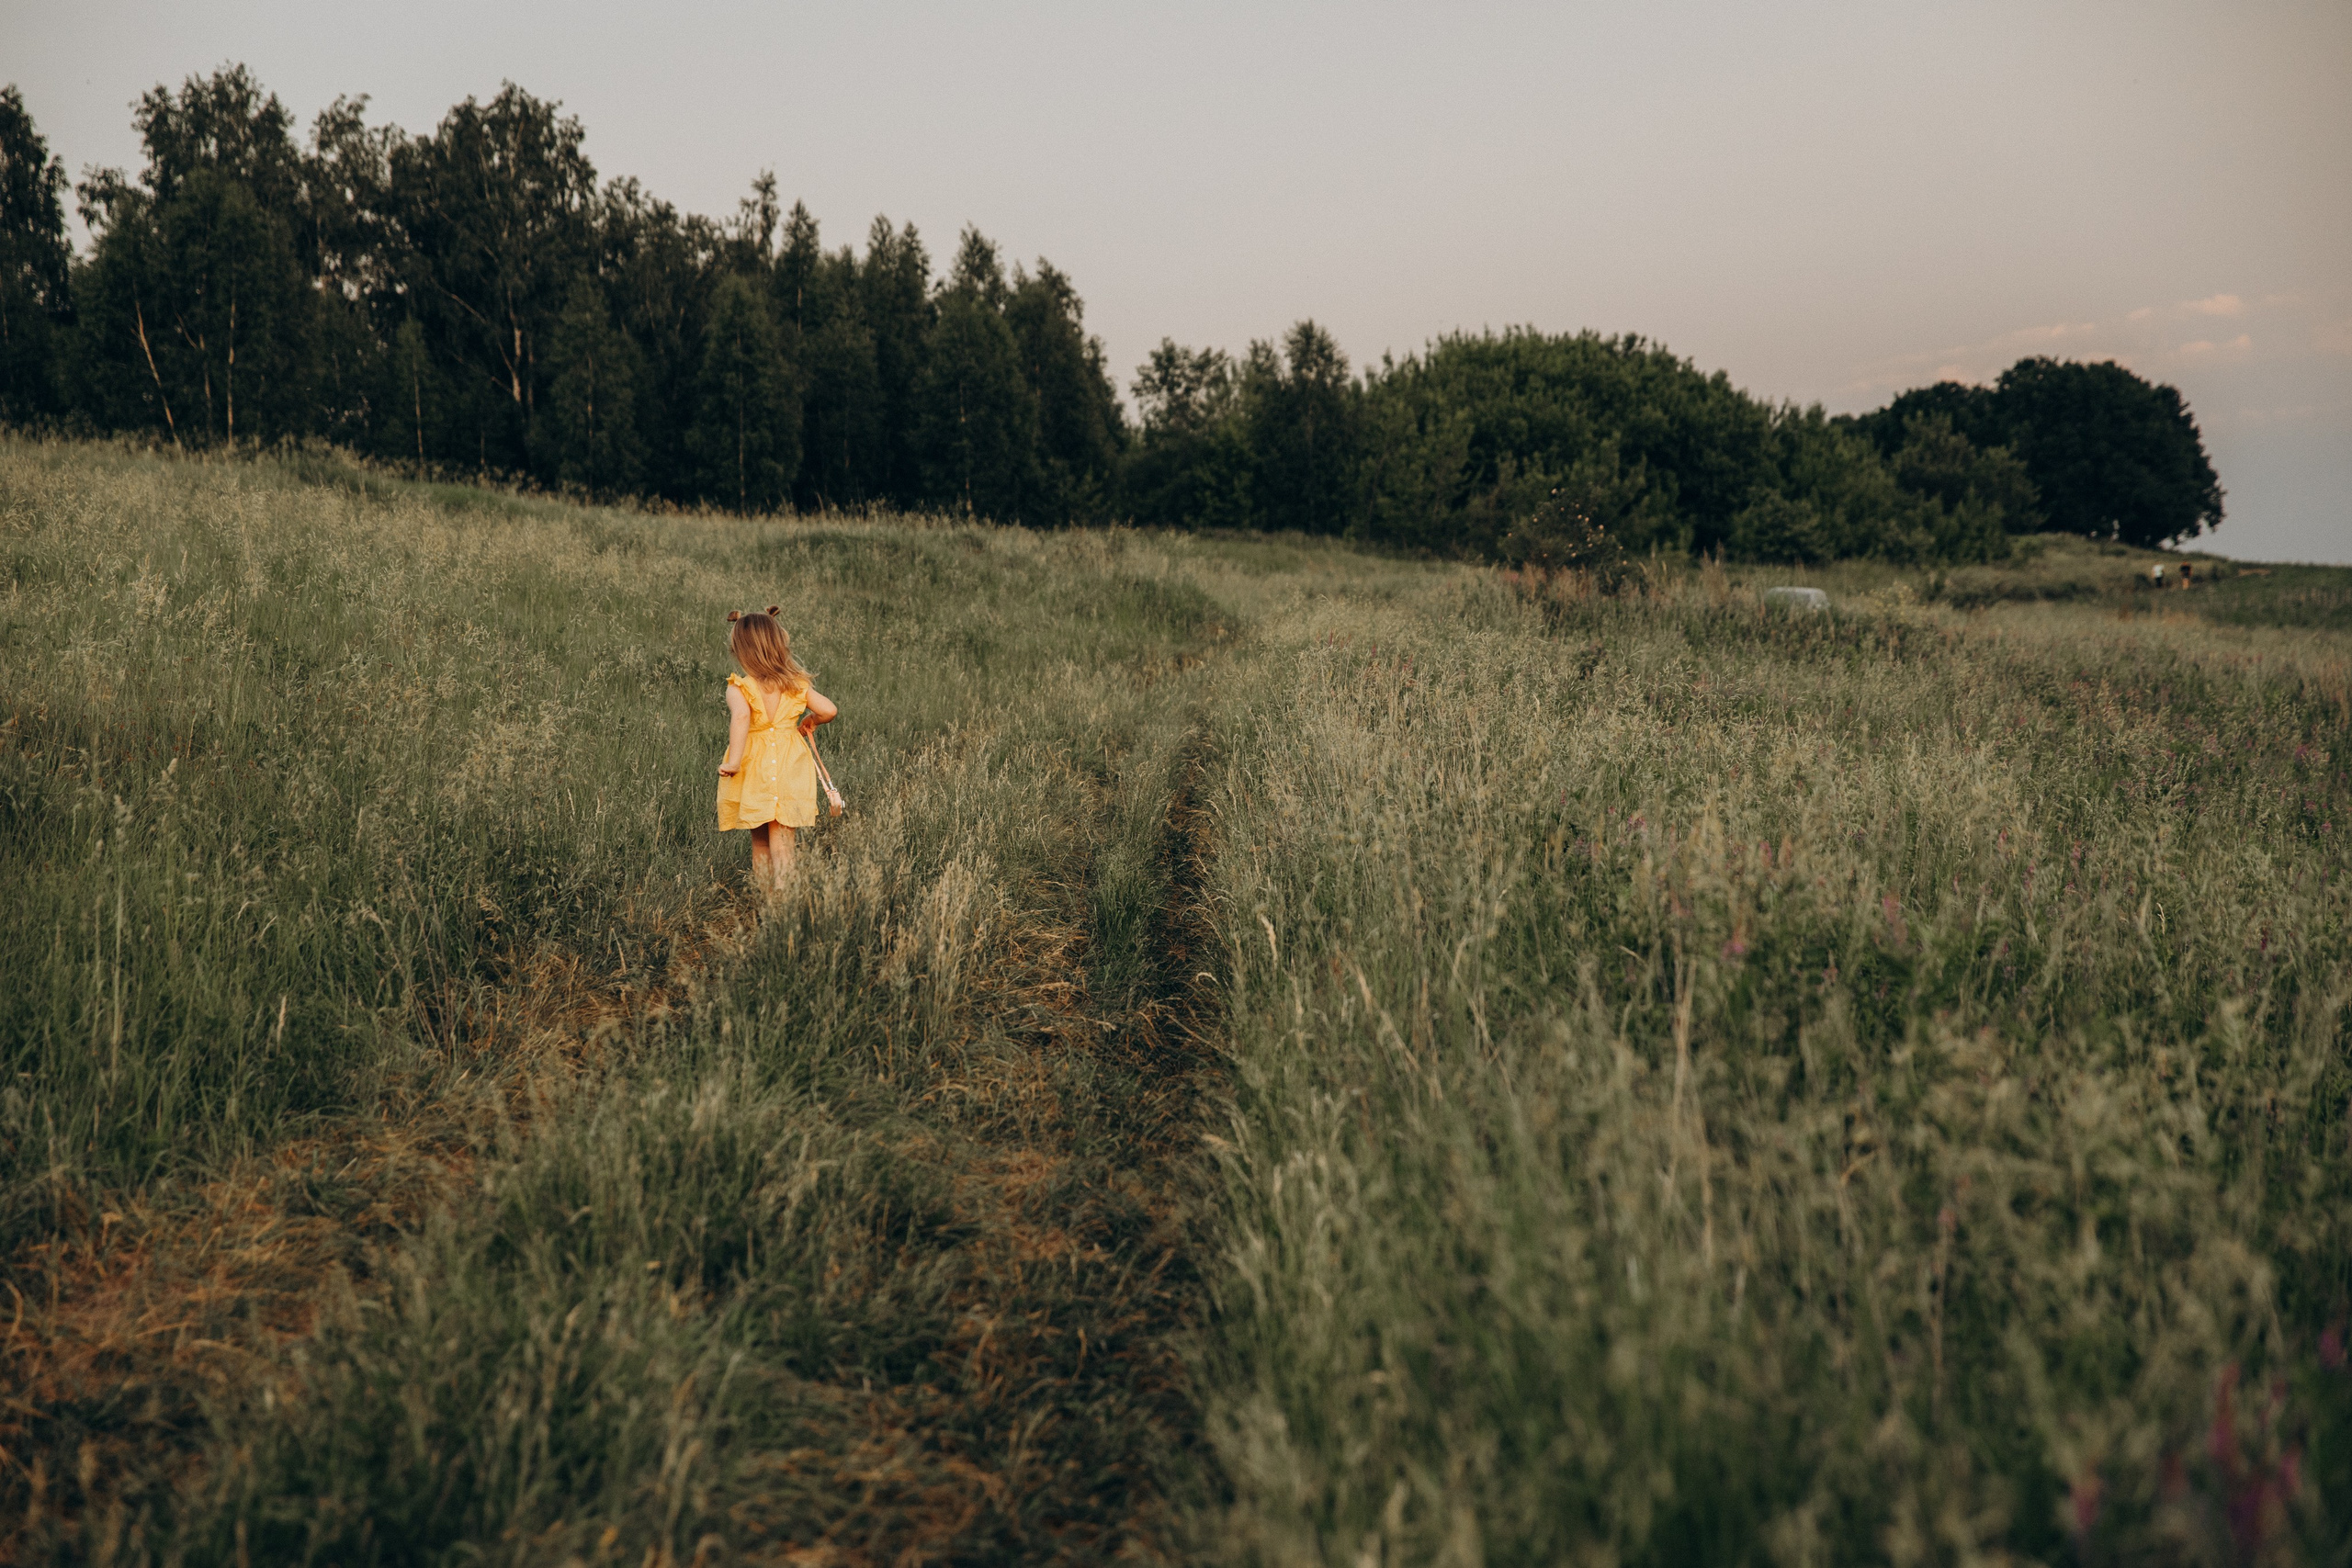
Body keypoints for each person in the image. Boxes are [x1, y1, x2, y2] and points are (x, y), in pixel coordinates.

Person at [716, 606, 837, 892]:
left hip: (753, 771)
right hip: (788, 769)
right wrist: (811, 720)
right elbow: (829, 709)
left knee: (759, 841)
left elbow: (742, 719)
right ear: (778, 645)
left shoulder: (739, 688)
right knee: (783, 845)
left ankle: (768, 900)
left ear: (741, 650)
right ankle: (786, 902)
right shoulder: (796, 685)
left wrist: (733, 763)